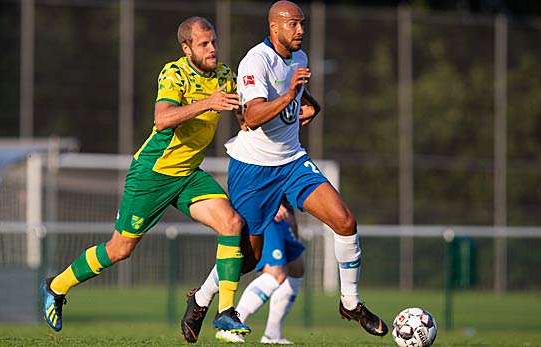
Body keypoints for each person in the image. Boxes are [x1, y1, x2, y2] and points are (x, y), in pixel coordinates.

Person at [39, 16, 251, 338]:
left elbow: (241, 111)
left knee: (232, 224)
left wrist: (253, 115)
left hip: (188, 174)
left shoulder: (224, 74)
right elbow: (163, 119)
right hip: (152, 173)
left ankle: (225, 313)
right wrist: (208, 102)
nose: (212, 49)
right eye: (204, 44)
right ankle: (56, 286)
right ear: (186, 47)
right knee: (120, 249)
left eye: (214, 42)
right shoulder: (175, 73)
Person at [223, 0, 389, 340]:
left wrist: (311, 104)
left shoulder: (300, 58)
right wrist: (288, 95)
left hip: (293, 162)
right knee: (248, 261)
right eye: (293, 24)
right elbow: (252, 117)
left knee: (345, 221)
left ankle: (350, 302)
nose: (301, 30)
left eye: (302, 24)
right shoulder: (255, 60)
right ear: (274, 27)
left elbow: (298, 95)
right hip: (256, 168)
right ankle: (202, 298)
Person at [234, 201, 304, 345]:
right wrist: (272, 203)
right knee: (276, 273)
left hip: (285, 212)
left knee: (296, 268)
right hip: (268, 212)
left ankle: (272, 334)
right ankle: (232, 325)